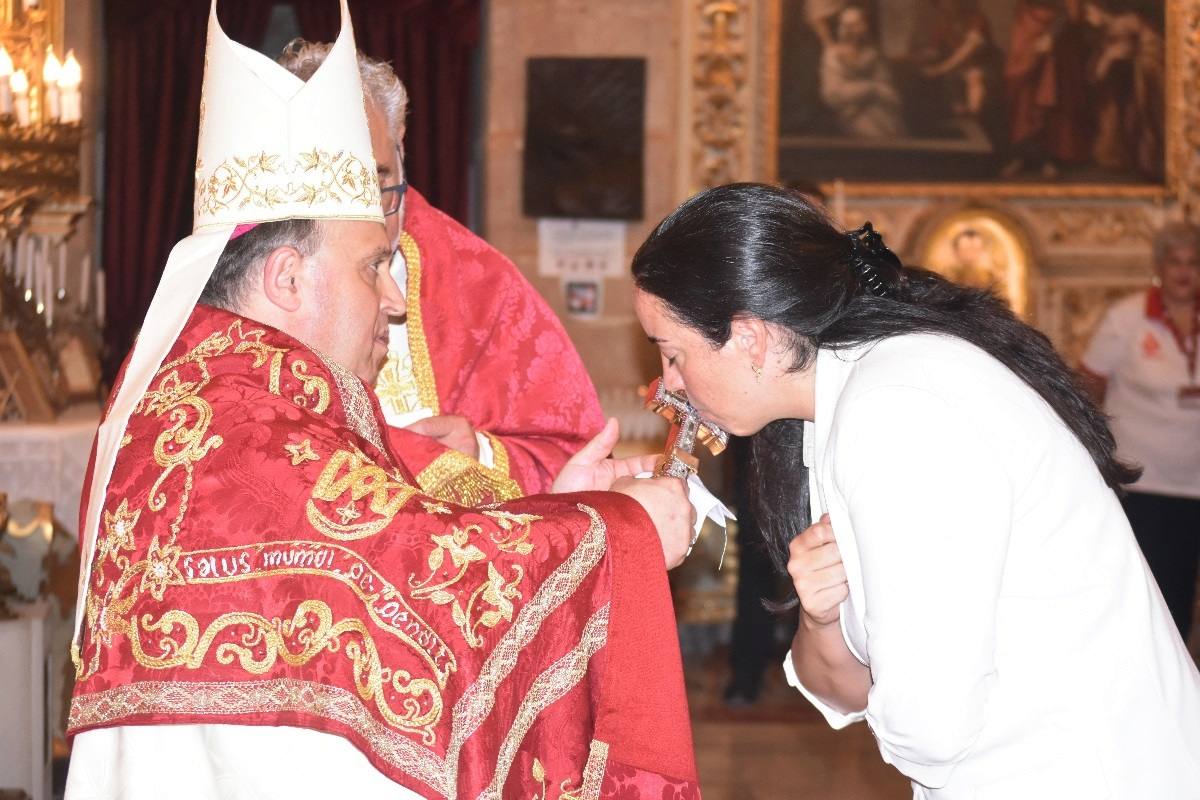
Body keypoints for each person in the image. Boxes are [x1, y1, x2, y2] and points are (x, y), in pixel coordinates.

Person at [65, 4, 702, 798]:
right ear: (287, 277)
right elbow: (417, 575)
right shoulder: (250, 422)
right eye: (372, 266)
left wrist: (548, 501)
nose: (396, 296)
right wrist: (619, 530)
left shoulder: (203, 381)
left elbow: (392, 548)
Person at [630, 182, 1200, 798]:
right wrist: (822, 619)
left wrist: (889, 695)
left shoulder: (899, 408)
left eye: (672, 354)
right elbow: (844, 691)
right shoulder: (838, 405)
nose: (671, 383)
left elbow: (930, 725)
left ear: (750, 337)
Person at [279, 42, 604, 505]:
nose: (361, 222)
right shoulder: (239, 282)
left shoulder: (480, 287)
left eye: (375, 188)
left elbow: (574, 457)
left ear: (402, 145)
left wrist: (484, 457)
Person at [1081, 222, 1200, 642]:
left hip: (1196, 484)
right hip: (1145, 484)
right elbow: (1088, 386)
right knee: (1154, 597)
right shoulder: (1127, 318)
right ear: (1159, 268)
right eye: (1176, 263)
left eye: (1194, 263)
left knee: (1185, 601)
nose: (1185, 273)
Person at [1002, 0, 1091, 178]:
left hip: (1057, 38)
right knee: (1023, 96)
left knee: (1049, 93)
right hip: (1026, 28)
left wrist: (1052, 34)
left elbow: (1071, 8)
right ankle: (1021, 155)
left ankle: (1049, 159)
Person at [819, 6, 907, 139]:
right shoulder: (832, 56)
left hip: (881, 116)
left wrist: (878, 92)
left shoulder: (873, 54)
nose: (850, 30)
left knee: (889, 128)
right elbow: (833, 95)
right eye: (845, 25)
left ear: (865, 26)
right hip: (851, 117)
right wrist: (871, 89)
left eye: (855, 24)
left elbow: (891, 96)